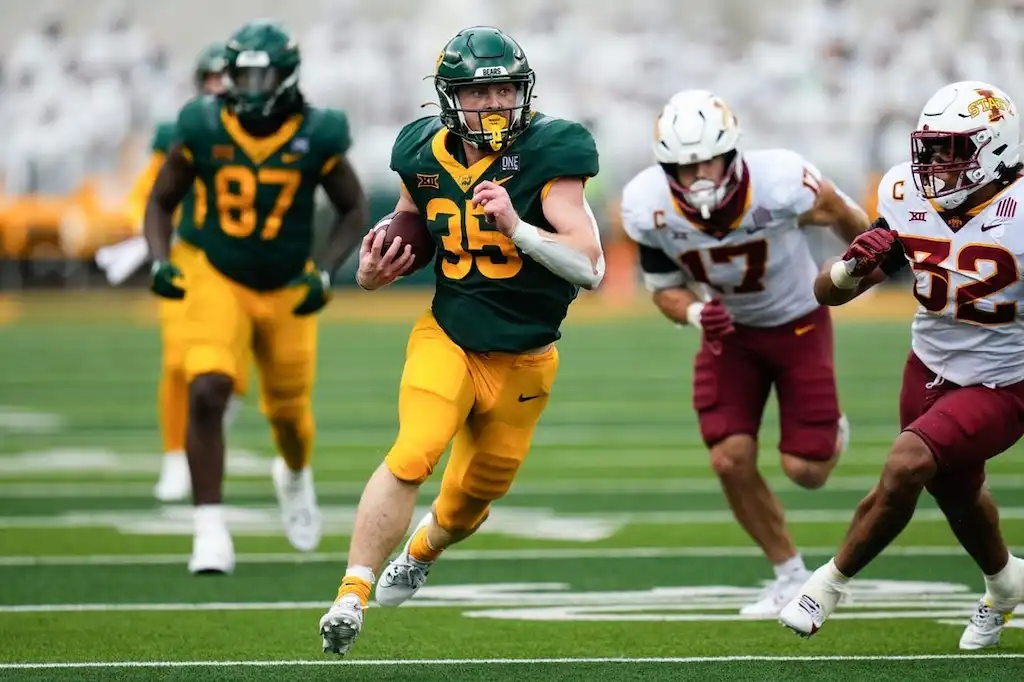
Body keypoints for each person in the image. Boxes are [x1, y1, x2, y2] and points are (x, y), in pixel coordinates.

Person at [318, 25, 604, 656]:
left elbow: (591, 266)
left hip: (527, 359)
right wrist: (372, 271)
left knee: (471, 502)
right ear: (450, 98)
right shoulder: (420, 151)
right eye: (480, 92)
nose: (496, 103)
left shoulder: (552, 153)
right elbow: (412, 223)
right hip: (449, 335)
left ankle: (422, 550)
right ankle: (350, 594)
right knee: (414, 450)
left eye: (505, 89)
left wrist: (518, 227)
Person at [781, 80, 1024, 650]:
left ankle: (828, 584)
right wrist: (850, 269)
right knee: (956, 491)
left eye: (952, 151)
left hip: (1004, 378)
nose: (935, 166)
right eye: (929, 150)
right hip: (929, 363)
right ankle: (1007, 581)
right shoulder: (902, 192)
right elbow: (826, 294)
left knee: (907, 465)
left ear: (997, 150)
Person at [620, 89, 871, 616]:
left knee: (807, 470)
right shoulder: (648, 205)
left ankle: (829, 435)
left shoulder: (780, 182)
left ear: (732, 153)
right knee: (728, 458)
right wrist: (692, 313)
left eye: (708, 160)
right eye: (685, 167)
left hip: (798, 321)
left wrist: (869, 265)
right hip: (728, 331)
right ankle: (788, 574)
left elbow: (848, 217)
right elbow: (664, 287)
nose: (699, 177)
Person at [143, 19, 368, 574]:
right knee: (208, 386)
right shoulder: (201, 123)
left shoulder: (319, 131)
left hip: (288, 281)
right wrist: (159, 258)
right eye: (238, 75)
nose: (245, 87)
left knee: (290, 418)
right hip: (217, 271)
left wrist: (324, 270)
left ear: (286, 78)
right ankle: (209, 530)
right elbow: (159, 202)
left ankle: (292, 475)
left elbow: (353, 209)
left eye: (258, 75)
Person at [98, 42, 250, 503]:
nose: (221, 87)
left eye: (230, 78)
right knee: (178, 361)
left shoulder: (263, 131)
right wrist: (150, 234)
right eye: (214, 79)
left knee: (233, 364)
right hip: (187, 258)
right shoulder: (184, 130)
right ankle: (173, 456)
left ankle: (203, 437)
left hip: (243, 262)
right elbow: (146, 194)